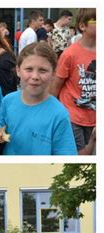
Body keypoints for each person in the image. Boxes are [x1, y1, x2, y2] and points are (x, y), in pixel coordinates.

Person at [0, 42, 78, 155]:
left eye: (43, 70)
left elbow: (66, 155)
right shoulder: (8, 101)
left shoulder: (59, 114)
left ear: (53, 74)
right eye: (29, 69)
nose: (35, 77)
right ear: (18, 70)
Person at [50, 9, 96, 155]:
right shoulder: (70, 54)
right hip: (72, 116)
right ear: (82, 26)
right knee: (79, 155)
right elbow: (55, 86)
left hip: (93, 115)